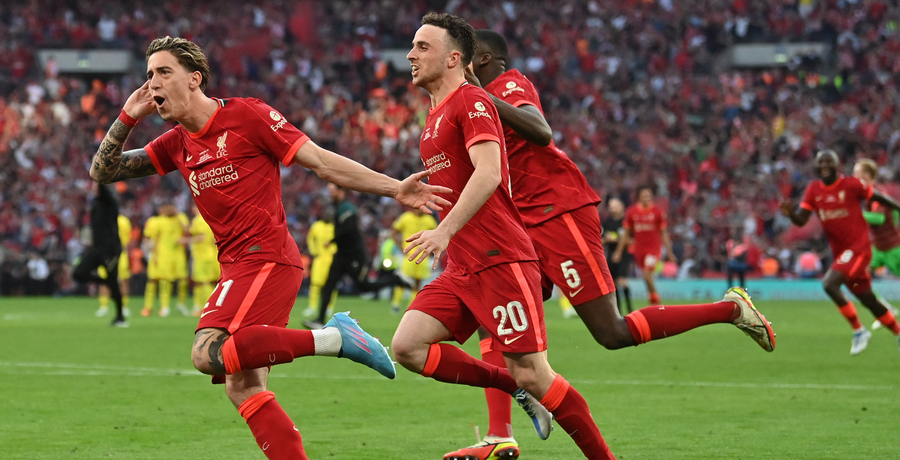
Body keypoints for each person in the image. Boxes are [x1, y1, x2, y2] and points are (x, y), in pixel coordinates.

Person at [89, 35, 450, 460]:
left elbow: (321, 161)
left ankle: (335, 338)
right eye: (149, 74)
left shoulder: (247, 115)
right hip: (236, 265)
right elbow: (103, 172)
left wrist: (393, 188)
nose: (153, 83)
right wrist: (128, 116)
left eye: (164, 72)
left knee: (206, 353)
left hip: (266, 257)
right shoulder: (177, 143)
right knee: (243, 386)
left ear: (195, 79)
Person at [442, 28, 777, 460]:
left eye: (466, 57)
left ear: (483, 60)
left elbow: (541, 132)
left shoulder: (508, 85)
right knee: (493, 319)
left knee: (611, 332)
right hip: (519, 224)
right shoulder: (475, 103)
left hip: (557, 214)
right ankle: (499, 435)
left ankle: (730, 309)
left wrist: (484, 98)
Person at [389, 13, 616, 460]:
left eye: (422, 47)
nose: (411, 55)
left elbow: (490, 172)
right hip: (463, 265)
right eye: (412, 46)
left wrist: (444, 230)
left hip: (501, 259)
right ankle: (512, 388)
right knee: (407, 347)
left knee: (535, 374)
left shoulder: (472, 101)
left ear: (454, 58)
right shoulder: (434, 116)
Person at [780, 149, 900, 355]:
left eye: (829, 162)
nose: (825, 166)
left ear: (837, 166)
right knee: (867, 298)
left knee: (830, 284)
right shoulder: (813, 190)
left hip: (859, 248)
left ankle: (859, 330)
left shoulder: (851, 185)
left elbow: (877, 196)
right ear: (816, 167)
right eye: (821, 163)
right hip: (842, 253)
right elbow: (801, 220)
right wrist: (791, 213)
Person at [302, 183, 407, 329]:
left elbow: (349, 229)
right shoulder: (340, 208)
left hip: (354, 256)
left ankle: (394, 280)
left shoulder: (347, 209)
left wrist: (332, 240)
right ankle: (320, 320)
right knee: (328, 286)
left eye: (332, 191)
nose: (329, 194)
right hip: (341, 254)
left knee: (364, 287)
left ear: (341, 191)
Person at [851, 158, 900, 329]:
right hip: (878, 249)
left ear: (866, 176)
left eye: (857, 174)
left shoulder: (878, 194)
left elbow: (879, 218)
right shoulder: (867, 196)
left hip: (893, 248)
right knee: (857, 279)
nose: (854, 178)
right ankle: (886, 310)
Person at [73, 183, 127, 327]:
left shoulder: (110, 203)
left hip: (110, 250)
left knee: (114, 282)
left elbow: (104, 190)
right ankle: (104, 282)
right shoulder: (96, 204)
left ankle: (120, 317)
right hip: (97, 249)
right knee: (78, 273)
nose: (93, 188)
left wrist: (100, 177)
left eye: (95, 186)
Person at [612, 185, 676, 305]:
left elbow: (664, 234)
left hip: (654, 249)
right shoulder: (632, 212)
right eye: (644, 196)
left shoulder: (657, 212)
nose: (647, 198)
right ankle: (653, 298)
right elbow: (626, 234)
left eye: (648, 196)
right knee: (646, 276)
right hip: (639, 250)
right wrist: (618, 252)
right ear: (638, 197)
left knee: (647, 274)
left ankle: (655, 301)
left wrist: (670, 252)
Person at [141, 203, 189, 317]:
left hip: (178, 255)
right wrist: (150, 248)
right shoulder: (155, 221)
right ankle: (152, 307)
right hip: (161, 255)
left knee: (182, 280)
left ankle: (180, 304)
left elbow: (187, 230)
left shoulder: (180, 218)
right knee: (155, 280)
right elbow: (146, 237)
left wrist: (177, 215)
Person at [391, 207, 438, 314]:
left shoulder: (429, 220)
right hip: (409, 255)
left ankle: (410, 306)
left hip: (423, 256)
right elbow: (393, 231)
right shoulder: (406, 217)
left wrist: (432, 249)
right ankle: (396, 304)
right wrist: (400, 246)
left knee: (418, 281)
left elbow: (437, 235)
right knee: (403, 279)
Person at [301, 207, 337, 318]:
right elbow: (310, 238)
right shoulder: (316, 226)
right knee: (315, 284)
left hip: (332, 259)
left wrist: (336, 252)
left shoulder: (335, 227)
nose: (328, 216)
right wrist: (313, 251)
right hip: (319, 259)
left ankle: (329, 307)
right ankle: (312, 307)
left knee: (331, 284)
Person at [96, 212, 132, 318]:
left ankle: (123, 307)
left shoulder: (124, 221)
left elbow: (128, 239)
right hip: (106, 254)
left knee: (123, 280)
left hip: (119, 253)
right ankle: (104, 306)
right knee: (104, 280)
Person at [186, 204, 219, 316]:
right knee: (209, 281)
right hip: (212, 254)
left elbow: (201, 237)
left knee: (201, 282)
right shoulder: (211, 219)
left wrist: (185, 240)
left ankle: (206, 307)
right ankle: (203, 307)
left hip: (202, 255)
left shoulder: (199, 220)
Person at [602, 197, 632, 313]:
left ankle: (629, 308)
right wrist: (607, 239)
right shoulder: (606, 223)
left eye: (615, 206)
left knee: (622, 281)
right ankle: (618, 311)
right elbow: (601, 240)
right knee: (613, 284)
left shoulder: (627, 222)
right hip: (610, 255)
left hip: (624, 255)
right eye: (611, 207)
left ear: (621, 207)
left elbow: (633, 240)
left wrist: (617, 240)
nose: (613, 209)